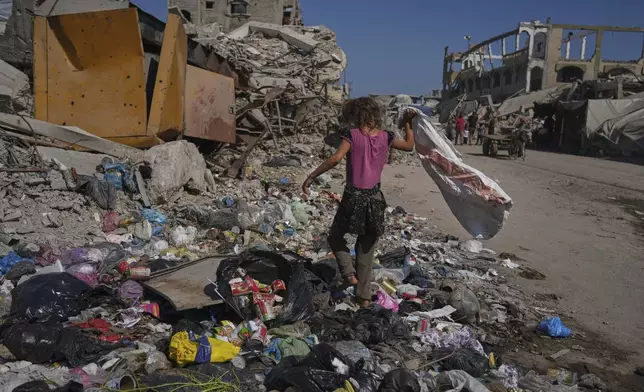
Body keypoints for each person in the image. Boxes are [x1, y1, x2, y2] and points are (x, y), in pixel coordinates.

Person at [302, 97, 415, 307]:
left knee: (336, 236)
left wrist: (311, 176)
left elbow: (335, 159)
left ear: (356, 115)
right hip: (375, 197)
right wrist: (409, 124)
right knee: (366, 249)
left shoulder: (352, 135)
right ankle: (363, 299)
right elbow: (409, 146)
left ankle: (349, 274)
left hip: (353, 196)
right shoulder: (386, 137)